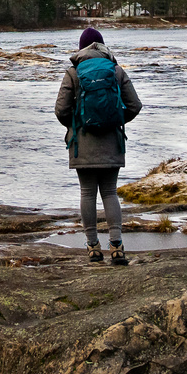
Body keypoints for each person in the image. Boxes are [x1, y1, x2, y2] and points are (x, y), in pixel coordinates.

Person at [55, 27, 142, 265]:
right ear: (102, 46)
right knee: (110, 192)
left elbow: (60, 110)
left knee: (87, 193)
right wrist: (115, 120)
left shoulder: (73, 72)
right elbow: (135, 106)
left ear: (81, 47)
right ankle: (117, 246)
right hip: (111, 142)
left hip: (82, 143)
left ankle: (93, 247)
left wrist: (76, 125)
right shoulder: (116, 70)